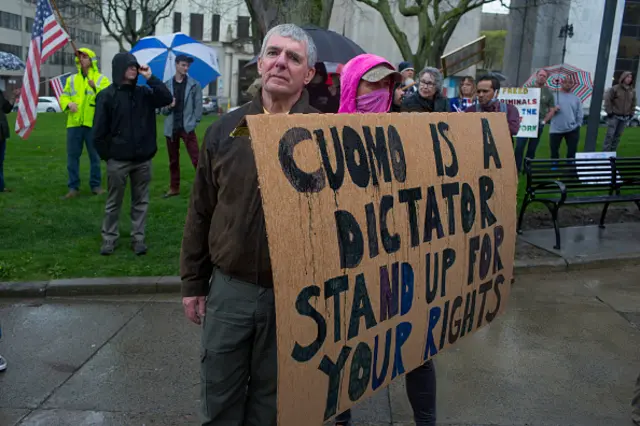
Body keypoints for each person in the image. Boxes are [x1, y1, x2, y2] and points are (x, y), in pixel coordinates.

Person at [180, 23, 318, 426]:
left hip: (295, 296)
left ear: (307, 74)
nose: (281, 63)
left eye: (293, 57)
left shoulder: (327, 134)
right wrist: (193, 282)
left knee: (272, 405)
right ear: (259, 63)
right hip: (231, 291)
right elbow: (201, 209)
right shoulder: (224, 130)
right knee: (219, 397)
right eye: (273, 53)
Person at [334, 53, 437, 426]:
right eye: (371, 83)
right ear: (352, 86)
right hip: (349, 264)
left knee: (419, 346)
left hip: (403, 261)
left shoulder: (408, 133)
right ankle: (341, 418)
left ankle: (426, 420)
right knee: (345, 348)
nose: (380, 91)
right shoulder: (324, 134)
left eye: (387, 84)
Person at [93, 53, 173, 256]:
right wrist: (108, 156)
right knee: (114, 202)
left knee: (141, 201)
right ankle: (109, 239)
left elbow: (166, 97)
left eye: (135, 66)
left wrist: (150, 78)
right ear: (119, 68)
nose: (134, 69)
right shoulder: (107, 96)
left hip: (142, 159)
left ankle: (138, 238)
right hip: (118, 160)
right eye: (129, 66)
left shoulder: (143, 94)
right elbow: (99, 133)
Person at [59, 48, 110, 199]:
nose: (81, 59)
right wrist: (68, 104)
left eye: (85, 57)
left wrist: (95, 87)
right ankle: (73, 188)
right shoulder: (72, 79)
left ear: (92, 60)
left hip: (93, 124)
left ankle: (96, 186)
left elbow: (107, 99)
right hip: (74, 124)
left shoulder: (101, 79)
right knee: (72, 157)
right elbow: (64, 96)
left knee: (95, 156)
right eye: (79, 57)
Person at [161, 54, 203, 198]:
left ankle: (204, 187)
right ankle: (174, 187)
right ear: (177, 65)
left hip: (187, 127)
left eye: (187, 66)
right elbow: (162, 110)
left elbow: (198, 106)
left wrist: (194, 121)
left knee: (197, 158)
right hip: (171, 128)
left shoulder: (194, 85)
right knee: (173, 160)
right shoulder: (166, 85)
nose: (186, 68)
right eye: (183, 65)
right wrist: (170, 106)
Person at [514, 69, 555, 173]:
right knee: (519, 146)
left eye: (544, 76)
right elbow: (517, 102)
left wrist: (544, 121)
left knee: (532, 148)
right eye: (540, 75)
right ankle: (516, 168)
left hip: (538, 123)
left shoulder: (549, 93)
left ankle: (527, 169)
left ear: (546, 79)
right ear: (536, 76)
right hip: (525, 122)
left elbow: (551, 110)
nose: (542, 77)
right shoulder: (527, 89)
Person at [548, 76, 583, 160]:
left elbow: (579, 113)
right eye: (565, 82)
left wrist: (578, 124)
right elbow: (546, 110)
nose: (568, 84)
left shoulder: (576, 98)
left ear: (572, 85)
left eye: (570, 82)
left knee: (572, 150)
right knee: (554, 150)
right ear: (561, 83)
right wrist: (553, 109)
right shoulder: (553, 96)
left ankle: (570, 164)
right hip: (555, 128)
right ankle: (554, 163)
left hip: (572, 128)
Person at [603, 71, 637, 152]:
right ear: (623, 78)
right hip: (614, 116)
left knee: (617, 136)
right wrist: (609, 111)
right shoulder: (615, 88)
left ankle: (612, 153)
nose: (629, 79)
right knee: (610, 135)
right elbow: (608, 100)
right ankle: (605, 154)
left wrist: (631, 113)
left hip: (624, 117)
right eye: (627, 77)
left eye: (630, 77)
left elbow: (633, 103)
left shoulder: (632, 91)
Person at [0, 88, 18, 193]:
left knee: (0, 161)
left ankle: (1, 187)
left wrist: (13, 97)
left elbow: (6, 109)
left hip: (1, 131)